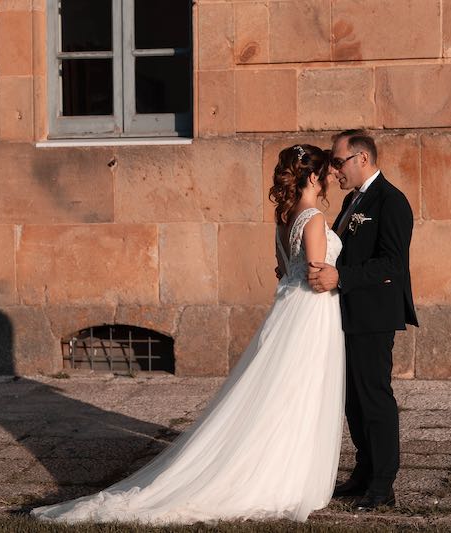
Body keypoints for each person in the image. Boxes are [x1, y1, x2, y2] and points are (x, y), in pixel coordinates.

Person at [31, 144, 345, 525]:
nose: (331, 177)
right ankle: (281, 476)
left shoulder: (284, 219)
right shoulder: (312, 218)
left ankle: (277, 466)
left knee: (284, 391)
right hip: (309, 312)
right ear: (313, 176)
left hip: (288, 309)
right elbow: (315, 276)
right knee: (299, 391)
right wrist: (343, 281)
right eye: (327, 172)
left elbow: (282, 270)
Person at [309, 130, 418, 511]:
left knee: (373, 397)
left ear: (362, 159)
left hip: (373, 314)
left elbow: (392, 264)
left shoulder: (392, 201)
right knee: (352, 399)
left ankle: (383, 483)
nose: (334, 170)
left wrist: (342, 278)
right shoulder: (351, 201)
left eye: (338, 162)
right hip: (346, 313)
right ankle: (364, 469)